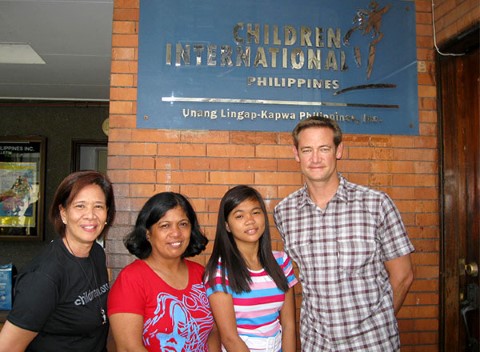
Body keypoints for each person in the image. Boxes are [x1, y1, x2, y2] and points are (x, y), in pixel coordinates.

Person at [273, 116, 415, 351]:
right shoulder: (285, 212)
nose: (315, 158)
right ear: (296, 154)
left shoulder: (376, 205)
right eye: (307, 150)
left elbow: (403, 276)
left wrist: (379, 322)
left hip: (372, 343)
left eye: (324, 149)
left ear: (339, 150)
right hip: (317, 343)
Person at [0, 170, 116, 352]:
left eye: (98, 206)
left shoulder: (96, 253)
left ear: (107, 214)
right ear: (63, 213)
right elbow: (7, 347)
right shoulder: (44, 277)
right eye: (80, 206)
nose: (90, 215)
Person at [107, 192, 219, 352]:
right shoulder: (131, 279)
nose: (176, 233)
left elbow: (214, 330)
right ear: (147, 233)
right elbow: (128, 347)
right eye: (165, 225)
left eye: (183, 224)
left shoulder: (201, 274)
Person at [205, 185, 298, 352]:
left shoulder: (281, 261)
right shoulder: (219, 272)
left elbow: (289, 325)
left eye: (256, 212)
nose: (250, 220)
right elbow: (229, 338)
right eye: (239, 216)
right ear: (227, 226)